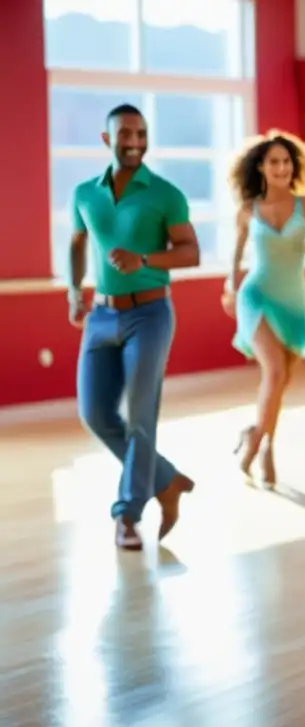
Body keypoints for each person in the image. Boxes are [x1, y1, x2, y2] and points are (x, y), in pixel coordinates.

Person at [67, 103, 199, 551]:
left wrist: (144, 258)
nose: (135, 141)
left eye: (141, 133)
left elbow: (189, 252)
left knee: (141, 417)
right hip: (101, 316)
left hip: (151, 314)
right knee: (95, 414)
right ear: (107, 139)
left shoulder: (165, 194)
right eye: (125, 134)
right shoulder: (85, 192)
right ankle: (167, 480)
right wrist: (73, 290)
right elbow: (77, 239)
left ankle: (128, 514)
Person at [222, 131, 305, 489]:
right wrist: (229, 286)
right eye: (274, 162)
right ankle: (258, 442)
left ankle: (263, 437)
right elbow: (237, 255)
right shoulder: (247, 211)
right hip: (256, 295)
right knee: (273, 371)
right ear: (261, 167)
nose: (282, 167)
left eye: (286, 161)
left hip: (293, 300)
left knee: (281, 380)